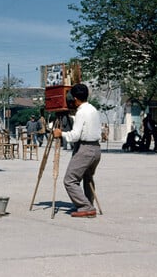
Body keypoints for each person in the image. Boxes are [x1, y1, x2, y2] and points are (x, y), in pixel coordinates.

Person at [53, 84, 101, 218]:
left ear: (75, 98)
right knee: (87, 178)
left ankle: (85, 206)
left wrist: (60, 133)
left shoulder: (81, 112)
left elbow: (75, 136)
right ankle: (88, 203)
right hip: (96, 149)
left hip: (85, 149)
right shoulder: (93, 109)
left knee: (70, 180)